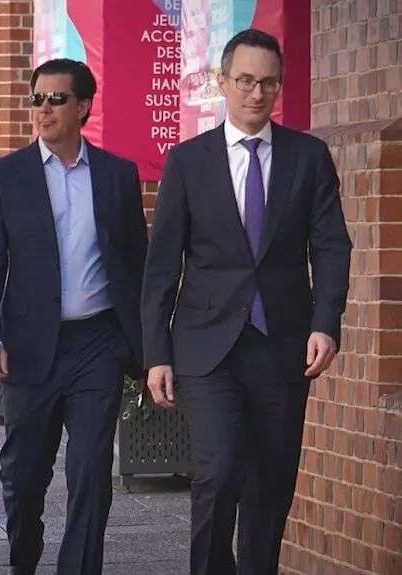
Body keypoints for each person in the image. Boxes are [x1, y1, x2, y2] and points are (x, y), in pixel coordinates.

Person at [141, 29, 351, 575]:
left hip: (283, 347)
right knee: (217, 470)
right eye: (246, 81)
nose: (257, 93)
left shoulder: (308, 158)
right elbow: (162, 264)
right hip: (209, 348)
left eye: (269, 83)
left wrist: (326, 324)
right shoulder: (188, 162)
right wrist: (156, 353)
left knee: (271, 483)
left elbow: (330, 246)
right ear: (223, 82)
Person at [0, 59, 147, 574]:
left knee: (91, 471)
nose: (43, 110)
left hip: (97, 344)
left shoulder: (118, 176)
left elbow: (135, 263)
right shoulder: (6, 177)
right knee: (25, 476)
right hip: (28, 347)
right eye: (36, 99)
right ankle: (23, 560)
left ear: (84, 106)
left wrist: (141, 347)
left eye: (56, 99)